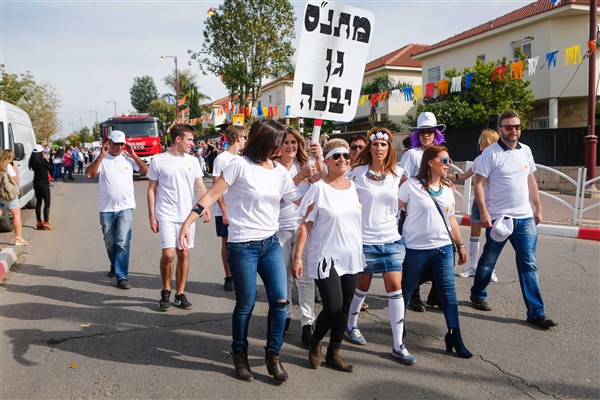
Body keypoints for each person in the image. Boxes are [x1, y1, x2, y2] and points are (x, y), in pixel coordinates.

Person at [179, 119, 300, 382]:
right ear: (266, 141)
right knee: (246, 304)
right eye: (278, 141)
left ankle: (272, 354)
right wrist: (188, 222)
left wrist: (325, 176)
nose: (281, 147)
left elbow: (298, 199)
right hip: (242, 245)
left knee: (280, 301)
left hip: (270, 244)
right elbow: (211, 195)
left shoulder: (279, 171)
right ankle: (240, 355)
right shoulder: (240, 166)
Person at [470, 110, 558, 330]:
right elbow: (478, 184)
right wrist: (484, 212)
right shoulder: (490, 154)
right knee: (489, 259)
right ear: (500, 129)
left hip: (524, 218)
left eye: (517, 127)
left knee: (528, 263)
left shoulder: (526, 151)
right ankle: (478, 293)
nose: (513, 131)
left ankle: (536, 312)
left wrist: (537, 207)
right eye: (508, 127)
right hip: (500, 218)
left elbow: (531, 182)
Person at [345, 127, 416, 365]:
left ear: (389, 149)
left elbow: (418, 189)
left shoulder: (399, 173)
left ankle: (398, 344)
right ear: (369, 147)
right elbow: (338, 192)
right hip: (364, 241)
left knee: (395, 288)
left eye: (384, 145)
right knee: (361, 288)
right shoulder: (356, 173)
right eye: (375, 144)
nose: (379, 148)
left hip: (392, 241)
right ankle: (350, 325)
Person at [293, 138, 364, 373]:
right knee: (332, 307)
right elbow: (305, 226)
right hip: (326, 257)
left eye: (345, 156)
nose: (342, 160)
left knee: (345, 307)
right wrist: (298, 257)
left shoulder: (353, 187)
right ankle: (316, 340)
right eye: (337, 156)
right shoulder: (319, 189)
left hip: (350, 256)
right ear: (328, 160)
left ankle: (334, 352)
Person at [399, 145, 472, 359]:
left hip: (442, 250)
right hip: (415, 250)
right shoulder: (411, 186)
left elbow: (451, 221)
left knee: (449, 295)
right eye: (444, 161)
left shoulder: (447, 189)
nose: (448, 165)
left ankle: (454, 336)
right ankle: (398, 330)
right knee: (406, 290)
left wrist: (460, 245)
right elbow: (392, 209)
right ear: (430, 161)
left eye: (449, 161)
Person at [147, 124, 211, 311]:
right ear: (178, 139)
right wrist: (152, 215)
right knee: (168, 254)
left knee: (183, 253)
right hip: (166, 214)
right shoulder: (158, 160)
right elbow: (151, 189)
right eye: (190, 140)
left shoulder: (193, 161)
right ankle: (166, 289)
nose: (193, 144)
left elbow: (200, 186)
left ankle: (179, 293)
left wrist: (204, 206)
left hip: (187, 216)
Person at [274, 126, 322, 345]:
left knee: (305, 277)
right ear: (278, 145)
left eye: (294, 142)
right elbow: (274, 197)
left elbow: (323, 184)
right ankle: (285, 316)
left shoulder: (304, 164)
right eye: (286, 142)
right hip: (279, 228)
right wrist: (299, 177)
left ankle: (307, 322)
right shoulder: (272, 167)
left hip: (303, 228)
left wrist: (319, 158)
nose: (290, 146)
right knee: (284, 276)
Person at [85, 130, 148, 289]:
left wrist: (134, 156)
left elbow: (146, 172)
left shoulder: (128, 159)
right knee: (110, 242)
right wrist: (100, 156)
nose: (119, 147)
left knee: (122, 242)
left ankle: (122, 276)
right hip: (106, 208)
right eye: (116, 143)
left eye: (122, 144)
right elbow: (89, 175)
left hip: (125, 207)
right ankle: (115, 263)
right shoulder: (102, 159)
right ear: (109, 143)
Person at [399, 111, 447, 312]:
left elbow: (442, 176)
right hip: (414, 210)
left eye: (429, 131)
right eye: (422, 132)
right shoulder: (412, 154)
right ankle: (414, 295)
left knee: (442, 250)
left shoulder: (440, 153)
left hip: (435, 209)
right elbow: (403, 181)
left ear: (435, 133)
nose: (426, 135)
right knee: (413, 255)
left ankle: (437, 293)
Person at [454, 129, 500, 281]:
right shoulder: (479, 159)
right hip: (479, 203)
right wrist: (450, 176)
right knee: (475, 234)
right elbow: (465, 175)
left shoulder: (499, 158)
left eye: (483, 141)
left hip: (495, 204)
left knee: (493, 238)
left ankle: (489, 269)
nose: (480, 144)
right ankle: (473, 266)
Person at [211, 125, 246, 292]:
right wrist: (224, 209)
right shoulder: (222, 159)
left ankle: (240, 274)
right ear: (238, 138)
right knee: (227, 243)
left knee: (239, 243)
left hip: (239, 208)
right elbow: (216, 186)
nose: (246, 140)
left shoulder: (242, 158)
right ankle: (229, 276)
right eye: (244, 137)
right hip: (224, 209)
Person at [0, 149, 27, 245]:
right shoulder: (7, 166)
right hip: (8, 194)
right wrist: (14, 167)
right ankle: (18, 239)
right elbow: (15, 180)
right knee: (16, 216)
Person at [28, 144, 54, 230]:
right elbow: (51, 168)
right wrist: (47, 159)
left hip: (36, 182)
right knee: (47, 202)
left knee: (38, 202)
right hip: (44, 183)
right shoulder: (42, 161)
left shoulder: (32, 161)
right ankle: (46, 221)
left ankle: (39, 222)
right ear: (41, 153)